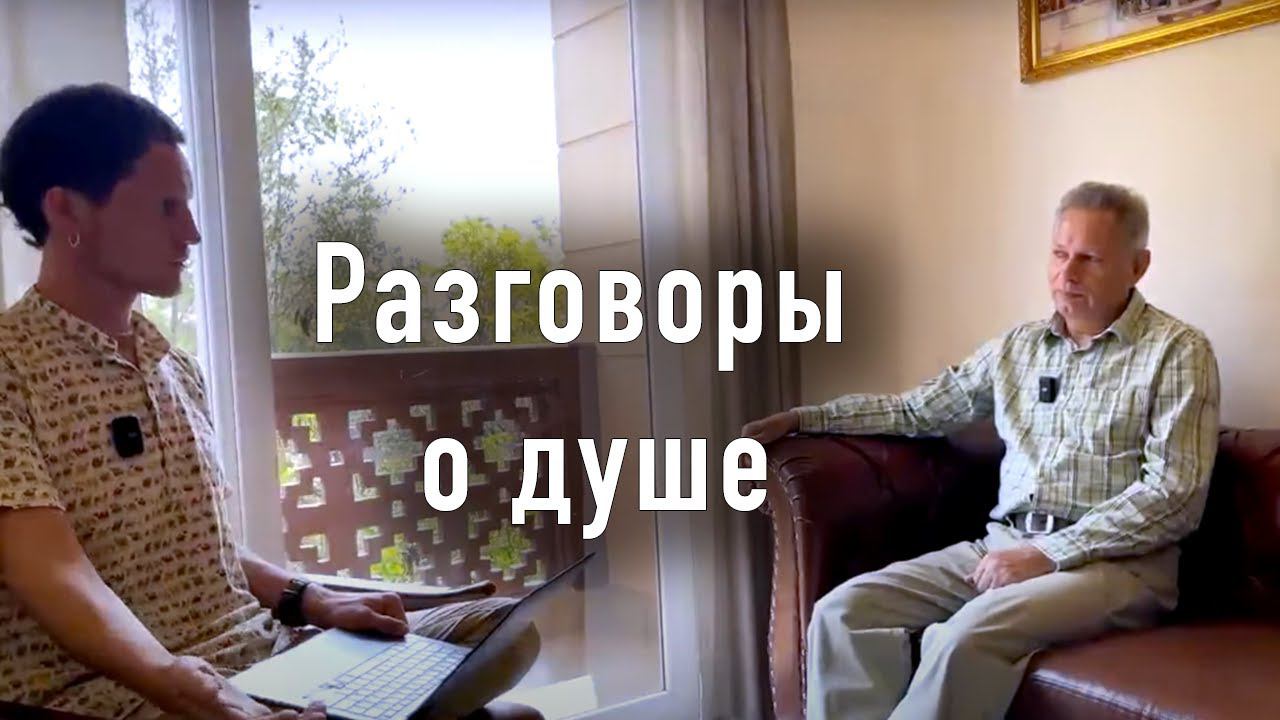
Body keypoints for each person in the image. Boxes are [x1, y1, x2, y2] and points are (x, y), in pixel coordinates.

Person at [0, 83, 538, 720]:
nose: (191, 232)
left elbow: (205, 551)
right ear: (67, 210)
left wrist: (315, 601)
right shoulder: (11, 367)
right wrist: (195, 691)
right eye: (166, 207)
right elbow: (55, 574)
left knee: (503, 628)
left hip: (265, 656)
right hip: (124, 693)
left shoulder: (174, 367)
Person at [742, 181, 1221, 719]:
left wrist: (1050, 554)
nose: (1067, 274)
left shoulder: (1178, 352)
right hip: (1005, 544)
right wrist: (806, 419)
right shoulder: (1019, 348)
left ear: (1137, 266)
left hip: (1116, 568)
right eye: (1059, 254)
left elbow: (1175, 495)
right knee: (844, 612)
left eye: (1089, 259)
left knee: (960, 639)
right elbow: (917, 410)